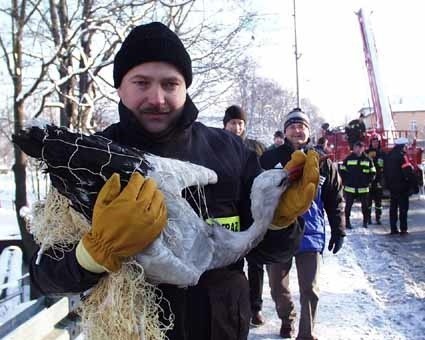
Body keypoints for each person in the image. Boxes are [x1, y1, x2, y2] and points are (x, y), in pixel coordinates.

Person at [28, 22, 319, 340]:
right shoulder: (85, 161)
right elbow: (44, 276)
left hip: (219, 329)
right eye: (141, 83)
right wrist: (92, 254)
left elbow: (271, 256)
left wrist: (278, 224)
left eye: (170, 83)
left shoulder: (231, 153)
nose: (157, 97)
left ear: (185, 87)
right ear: (120, 88)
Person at [259, 107, 346, 339]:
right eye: (293, 126)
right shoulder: (270, 158)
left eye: (302, 126)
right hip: (277, 232)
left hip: (310, 232)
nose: (298, 130)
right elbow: (257, 193)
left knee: (310, 289)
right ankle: (287, 318)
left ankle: (306, 334)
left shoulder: (323, 161)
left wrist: (339, 230)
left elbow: (335, 197)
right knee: (277, 287)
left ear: (308, 131)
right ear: (285, 131)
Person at [222, 105, 267, 326]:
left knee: (256, 263)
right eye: (233, 123)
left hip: (253, 211)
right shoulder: (216, 146)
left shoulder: (256, 148)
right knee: (234, 265)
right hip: (231, 213)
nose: (237, 127)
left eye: (241, 123)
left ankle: (255, 307)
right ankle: (236, 307)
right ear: (225, 124)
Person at [384, 137, 418, 235]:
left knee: (393, 208)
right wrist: (414, 186)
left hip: (392, 187)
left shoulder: (389, 155)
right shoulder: (402, 156)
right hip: (402, 187)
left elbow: (385, 172)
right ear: (403, 146)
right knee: (403, 209)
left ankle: (393, 229)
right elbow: (408, 172)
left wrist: (387, 185)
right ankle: (403, 229)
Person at [340, 140, 376, 228]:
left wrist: (368, 182)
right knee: (348, 206)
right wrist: (345, 181)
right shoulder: (348, 158)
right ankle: (347, 222)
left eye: (360, 148)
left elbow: (373, 172)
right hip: (350, 188)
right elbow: (342, 170)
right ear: (354, 148)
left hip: (363, 188)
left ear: (363, 149)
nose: (358, 150)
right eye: (356, 147)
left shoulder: (368, 159)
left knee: (365, 206)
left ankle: (365, 221)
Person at [365, 133, 385, 224]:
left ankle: (378, 218)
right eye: (373, 142)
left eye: (377, 142)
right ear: (371, 142)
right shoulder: (366, 152)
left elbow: (386, 166)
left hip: (379, 180)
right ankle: (368, 218)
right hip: (369, 180)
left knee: (378, 201)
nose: (375, 143)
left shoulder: (382, 153)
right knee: (368, 201)